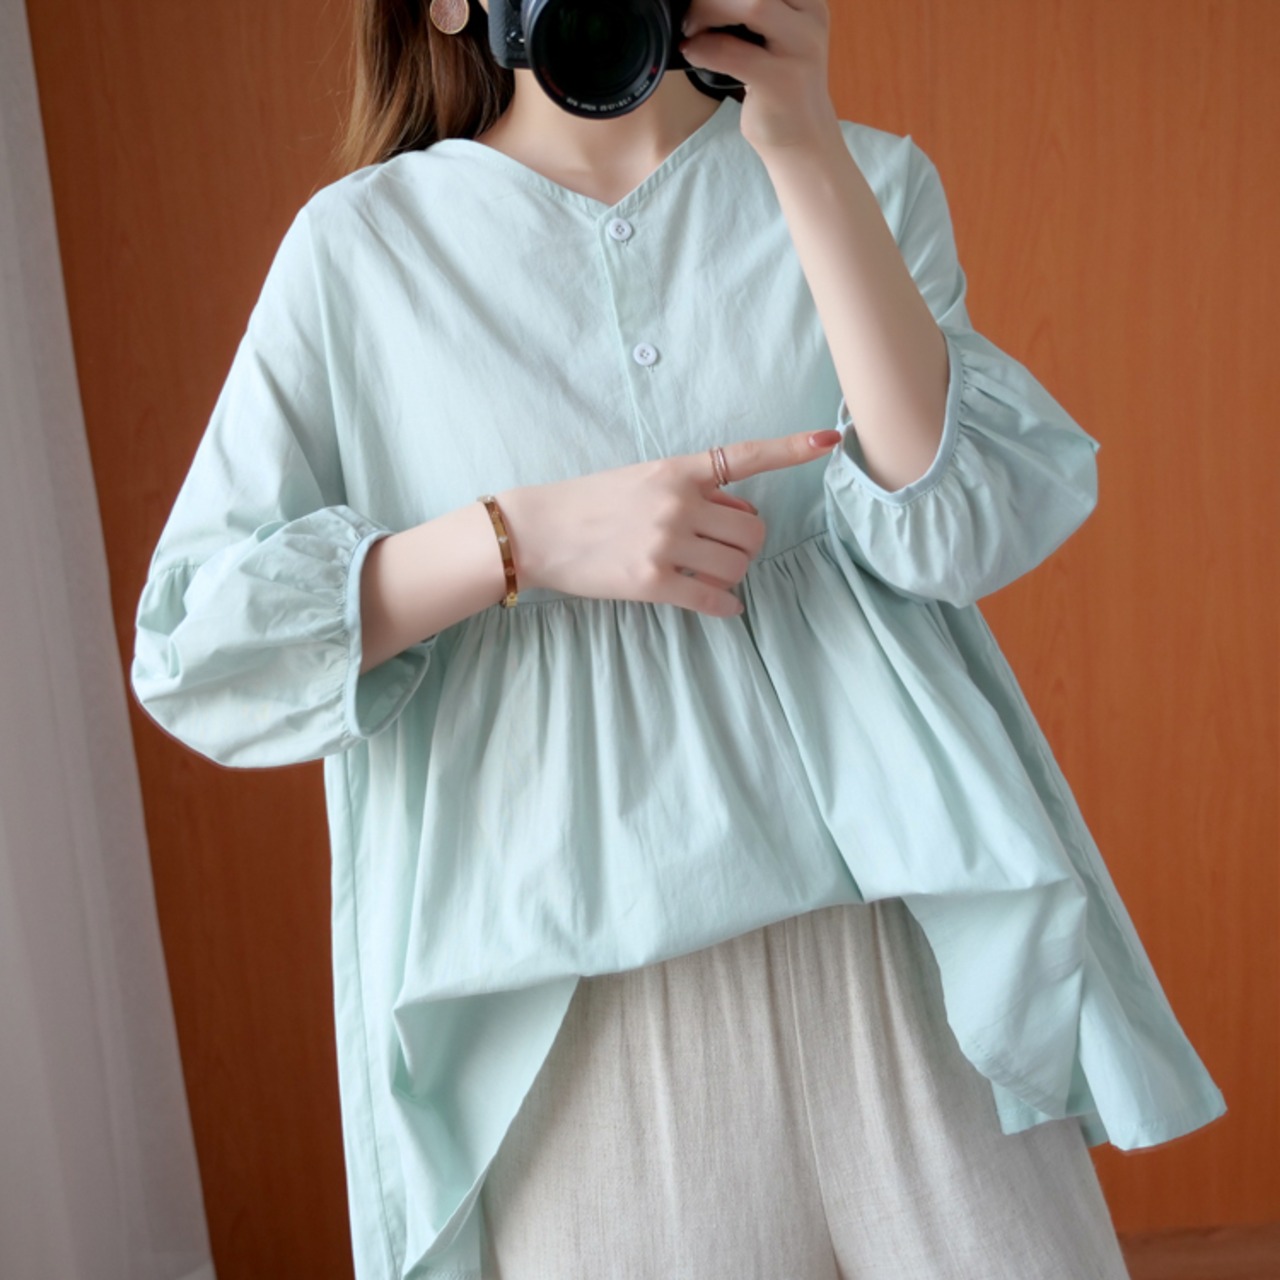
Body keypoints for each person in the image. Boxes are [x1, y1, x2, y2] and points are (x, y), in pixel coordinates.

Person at [129, 0, 1227, 1276]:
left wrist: (800, 139)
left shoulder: (863, 177)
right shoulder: (359, 253)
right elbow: (200, 649)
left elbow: (955, 531)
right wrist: (516, 539)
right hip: (571, 1020)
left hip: (901, 948)